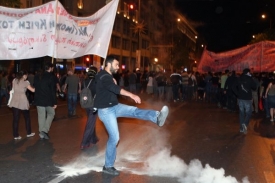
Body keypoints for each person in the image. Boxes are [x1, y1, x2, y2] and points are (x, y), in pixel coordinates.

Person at [93, 55, 169, 176]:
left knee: (134, 111)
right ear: (109, 64)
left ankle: (157, 117)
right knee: (115, 137)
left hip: (114, 107)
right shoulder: (103, 76)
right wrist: (131, 95)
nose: (118, 67)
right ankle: (108, 166)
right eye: (116, 65)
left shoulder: (106, 76)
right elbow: (114, 88)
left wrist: (113, 82)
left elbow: (109, 88)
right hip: (106, 111)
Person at [8, 70, 35, 140]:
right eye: (26, 75)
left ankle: (15, 135)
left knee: (15, 119)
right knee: (27, 117)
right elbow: (33, 90)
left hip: (15, 100)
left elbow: (13, 89)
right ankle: (29, 133)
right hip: (23, 100)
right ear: (24, 75)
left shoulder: (14, 80)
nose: (27, 77)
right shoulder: (25, 82)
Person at [33, 63, 57, 139]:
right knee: (51, 113)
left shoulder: (37, 76)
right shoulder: (51, 77)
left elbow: (35, 86)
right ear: (50, 68)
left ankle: (41, 133)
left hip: (39, 99)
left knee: (41, 116)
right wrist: (55, 102)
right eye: (52, 68)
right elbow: (53, 90)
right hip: (48, 99)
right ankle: (44, 130)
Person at [232, 68, 256, 134]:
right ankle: (245, 124)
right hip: (248, 99)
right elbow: (255, 87)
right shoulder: (250, 79)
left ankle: (241, 128)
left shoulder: (239, 78)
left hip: (240, 98)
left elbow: (233, 87)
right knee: (248, 113)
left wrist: (237, 94)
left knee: (241, 113)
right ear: (248, 73)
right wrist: (251, 78)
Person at [80, 66, 99, 149]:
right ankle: (84, 142)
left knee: (91, 122)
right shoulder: (96, 82)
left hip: (86, 104)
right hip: (93, 105)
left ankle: (93, 139)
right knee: (90, 124)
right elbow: (98, 94)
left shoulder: (85, 81)